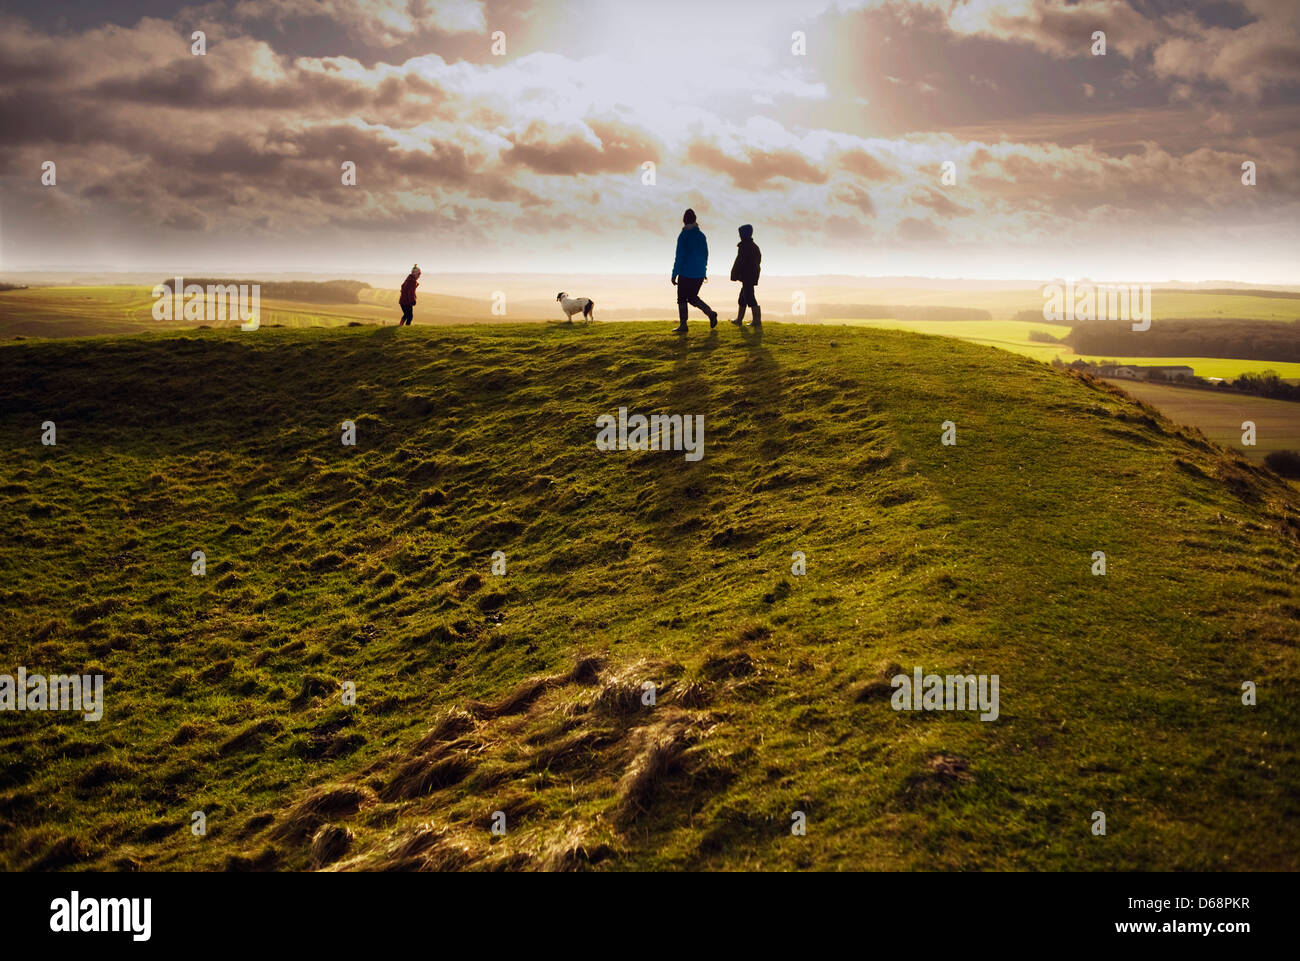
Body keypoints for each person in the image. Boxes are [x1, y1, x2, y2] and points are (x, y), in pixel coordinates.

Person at [671, 209, 718, 334]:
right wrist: (703, 270)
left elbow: (679, 257)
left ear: (684, 220)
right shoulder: (701, 236)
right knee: (692, 298)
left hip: (686, 272)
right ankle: (710, 313)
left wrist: (674, 274)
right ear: (695, 220)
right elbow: (706, 255)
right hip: (699, 273)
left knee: (681, 299)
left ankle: (683, 325)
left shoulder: (683, 236)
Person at [729, 224, 761, 328]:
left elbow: (739, 262)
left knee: (749, 297)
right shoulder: (755, 247)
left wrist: (734, 274)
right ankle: (739, 320)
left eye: (740, 234)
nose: (739, 236)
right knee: (742, 297)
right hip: (752, 275)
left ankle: (756, 321)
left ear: (743, 234)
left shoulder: (744, 247)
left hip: (747, 276)